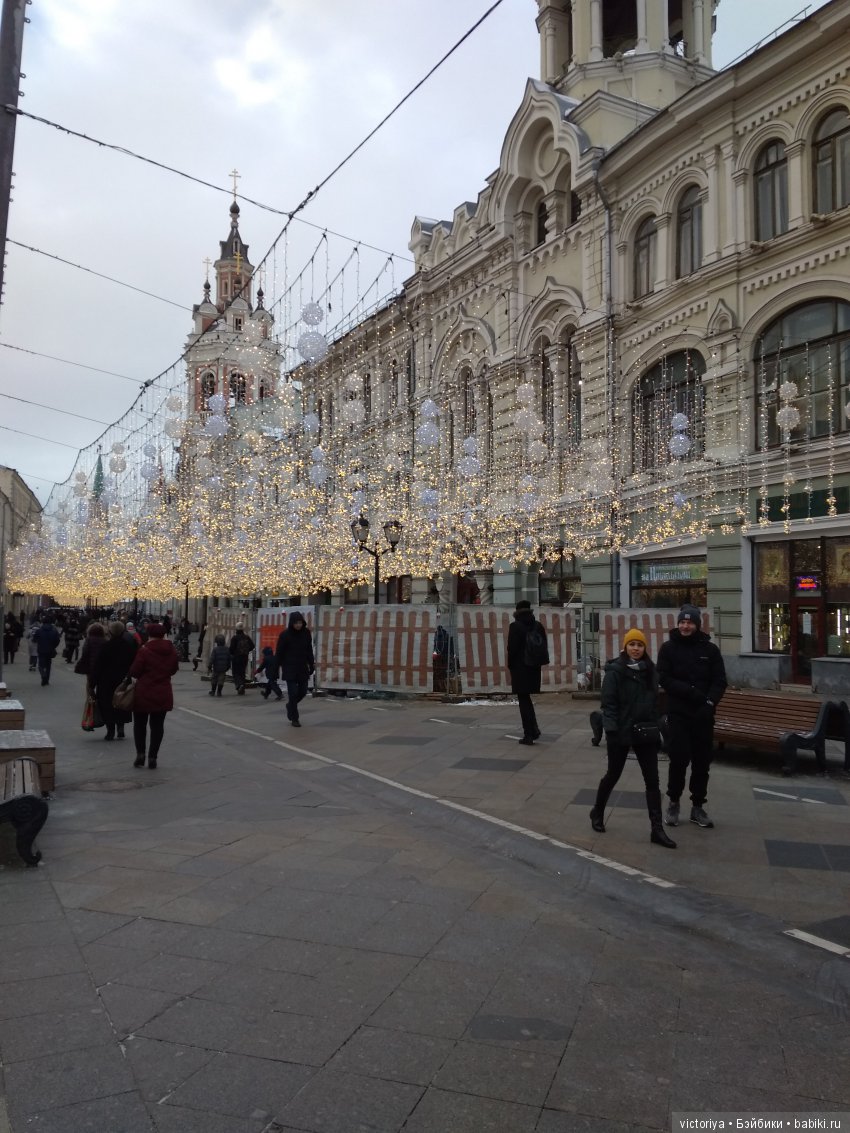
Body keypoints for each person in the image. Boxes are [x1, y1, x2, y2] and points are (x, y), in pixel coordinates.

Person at [590, 628, 677, 849]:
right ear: (625, 647)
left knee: (652, 780)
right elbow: (608, 705)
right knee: (613, 774)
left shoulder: (651, 671)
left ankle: (657, 829)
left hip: (645, 732)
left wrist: (657, 725)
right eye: (632, 644)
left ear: (644, 648)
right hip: (620, 731)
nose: (636, 649)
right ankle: (597, 811)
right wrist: (611, 731)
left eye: (639, 645)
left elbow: (656, 703)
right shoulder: (615, 671)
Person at [657, 604, 728, 830]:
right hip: (679, 713)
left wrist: (709, 702)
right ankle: (674, 802)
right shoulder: (668, 648)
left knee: (701, 763)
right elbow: (664, 678)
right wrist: (689, 692)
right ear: (678, 624)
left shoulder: (710, 650)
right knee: (678, 760)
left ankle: (698, 806)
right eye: (682, 622)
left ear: (697, 625)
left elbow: (719, 681)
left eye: (690, 622)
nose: (685, 626)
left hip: (703, 715)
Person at [128, 622, 178, 769]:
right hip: (162, 691)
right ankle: (153, 757)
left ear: (149, 634)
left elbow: (135, 671)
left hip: (143, 691)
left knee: (140, 725)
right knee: (157, 726)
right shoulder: (171, 650)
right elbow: (174, 669)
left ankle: (140, 754)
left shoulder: (144, 650)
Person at [506, 599, 548, 745]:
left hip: (520, 668)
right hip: (534, 667)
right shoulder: (538, 626)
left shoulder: (515, 626)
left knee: (523, 701)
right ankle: (533, 730)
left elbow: (511, 649)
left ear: (517, 612)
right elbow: (544, 646)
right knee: (527, 700)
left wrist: (510, 666)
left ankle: (529, 734)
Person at [92, 621, 137, 741]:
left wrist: (92, 684)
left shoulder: (105, 647)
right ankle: (120, 727)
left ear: (110, 632)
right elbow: (134, 664)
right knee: (122, 702)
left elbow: (97, 666)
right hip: (123, 680)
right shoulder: (128, 646)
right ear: (123, 631)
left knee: (107, 705)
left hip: (105, 682)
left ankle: (110, 731)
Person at [275, 612, 314, 727]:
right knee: (293, 693)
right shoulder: (285, 635)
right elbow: (279, 653)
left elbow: (309, 649)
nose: (298, 625)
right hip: (289, 668)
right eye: (296, 623)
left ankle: (290, 706)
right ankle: (295, 718)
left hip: (302, 667)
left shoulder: (306, 633)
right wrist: (276, 667)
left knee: (302, 691)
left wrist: (311, 664)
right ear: (292, 623)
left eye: (300, 623)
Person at [75, 622, 107, 696]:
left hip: (90, 665)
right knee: (99, 682)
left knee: (89, 683)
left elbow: (85, 651)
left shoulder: (89, 639)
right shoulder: (104, 640)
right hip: (101, 666)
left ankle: (89, 699)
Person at [33, 617, 62, 686]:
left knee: (41, 665)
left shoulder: (39, 631)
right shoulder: (54, 631)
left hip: (41, 650)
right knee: (48, 665)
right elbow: (57, 640)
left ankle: (43, 675)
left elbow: (34, 639)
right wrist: (53, 646)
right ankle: (47, 680)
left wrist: (39, 642)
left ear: (43, 622)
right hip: (50, 650)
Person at [229, 622, 255, 695]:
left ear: (236, 629)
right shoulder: (246, 637)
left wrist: (232, 654)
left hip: (236, 657)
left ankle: (239, 685)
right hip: (244, 657)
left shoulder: (235, 638)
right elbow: (252, 646)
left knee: (235, 673)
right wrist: (246, 651)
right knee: (242, 672)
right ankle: (242, 688)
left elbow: (231, 649)